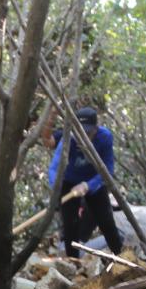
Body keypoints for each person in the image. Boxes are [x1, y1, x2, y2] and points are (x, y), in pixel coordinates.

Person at [47, 107, 124, 258]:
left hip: (94, 182)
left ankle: (122, 258)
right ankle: (73, 263)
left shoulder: (105, 137)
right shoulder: (68, 139)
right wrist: (56, 187)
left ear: (96, 127)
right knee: (70, 226)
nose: (85, 136)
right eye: (81, 132)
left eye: (89, 132)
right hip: (69, 183)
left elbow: (108, 168)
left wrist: (89, 185)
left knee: (106, 221)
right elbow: (54, 168)